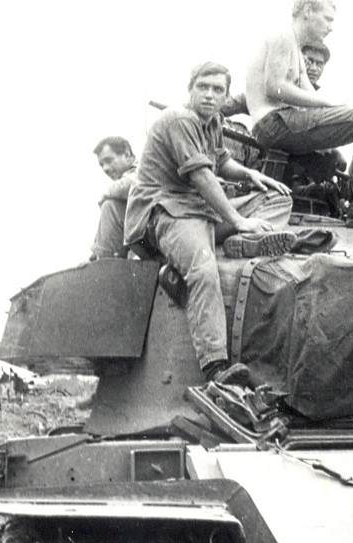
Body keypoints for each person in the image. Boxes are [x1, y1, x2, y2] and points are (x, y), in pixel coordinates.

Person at [125, 62, 296, 387]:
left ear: (225, 96)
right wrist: (237, 219)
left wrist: (249, 174)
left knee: (278, 198)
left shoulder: (213, 120)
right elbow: (202, 176)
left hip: (200, 212)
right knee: (204, 271)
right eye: (203, 87)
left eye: (218, 89)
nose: (209, 94)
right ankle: (216, 366)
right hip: (166, 211)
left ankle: (238, 241)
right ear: (190, 88)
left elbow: (220, 160)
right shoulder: (178, 119)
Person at [245, 0, 353, 228]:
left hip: (282, 123)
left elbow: (313, 100)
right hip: (273, 123)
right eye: (328, 19)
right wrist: (345, 106)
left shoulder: (295, 46)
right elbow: (275, 87)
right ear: (308, 12)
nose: (331, 27)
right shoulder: (282, 34)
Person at [90, 136, 137, 259]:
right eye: (102, 165)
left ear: (126, 154)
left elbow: (131, 185)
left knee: (110, 206)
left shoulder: (143, 168)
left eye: (109, 160)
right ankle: (99, 258)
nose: (105, 168)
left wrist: (104, 196)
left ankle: (105, 262)